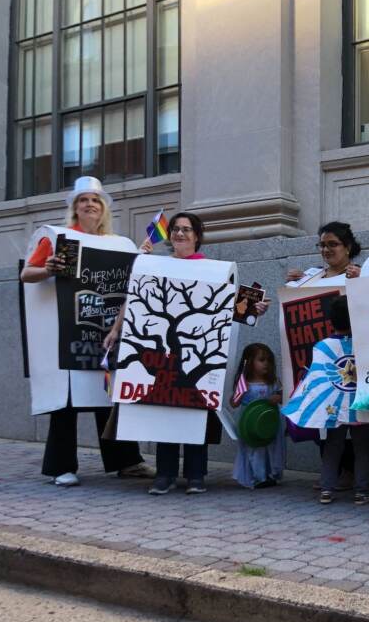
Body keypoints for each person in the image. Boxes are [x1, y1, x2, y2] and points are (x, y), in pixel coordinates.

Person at [105, 212, 268, 495]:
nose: (180, 234)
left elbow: (231, 310)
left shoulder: (214, 270)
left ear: (197, 236)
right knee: (164, 411)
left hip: (196, 353)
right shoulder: (154, 264)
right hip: (162, 353)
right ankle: (165, 475)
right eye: (176, 229)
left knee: (194, 414)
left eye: (186, 229)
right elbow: (133, 300)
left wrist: (255, 310)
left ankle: (196, 475)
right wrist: (116, 329)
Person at [19, 176, 154, 486]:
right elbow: (27, 273)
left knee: (109, 396)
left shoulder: (119, 244)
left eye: (95, 200)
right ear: (75, 208)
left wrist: (141, 258)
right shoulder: (58, 239)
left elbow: (130, 282)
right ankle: (60, 466)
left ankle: (126, 461)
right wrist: (48, 269)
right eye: (83, 200)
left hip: (107, 334)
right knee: (68, 402)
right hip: (70, 334)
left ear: (103, 209)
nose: (90, 204)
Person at [286, 221, 362, 493]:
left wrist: (364, 279)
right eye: (322, 244)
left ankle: (349, 472)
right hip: (318, 364)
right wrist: (294, 285)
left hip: (349, 364)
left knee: (349, 421)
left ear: (348, 247)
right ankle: (336, 471)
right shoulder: (309, 276)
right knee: (320, 418)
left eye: (333, 244)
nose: (326, 250)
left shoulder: (359, 275)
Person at [315, 296, 369, 506]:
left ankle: (326, 489)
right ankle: (362, 491)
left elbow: (317, 378)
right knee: (363, 450)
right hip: (362, 406)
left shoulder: (322, 346)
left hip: (334, 408)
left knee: (332, 448)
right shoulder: (367, 344)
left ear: (331, 320)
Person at [231, 343, 285, 489]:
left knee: (271, 448)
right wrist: (240, 393)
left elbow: (283, 395)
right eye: (261, 360)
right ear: (249, 362)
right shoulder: (244, 383)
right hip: (250, 423)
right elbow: (234, 403)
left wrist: (279, 397)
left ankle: (270, 474)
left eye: (268, 360)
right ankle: (256, 477)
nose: (266, 363)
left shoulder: (273, 381)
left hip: (269, 421)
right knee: (254, 449)